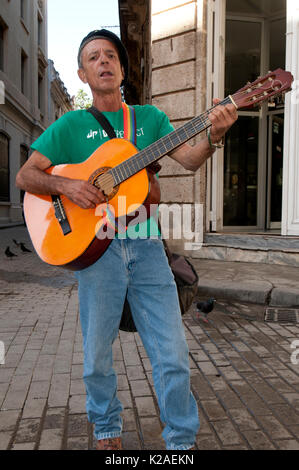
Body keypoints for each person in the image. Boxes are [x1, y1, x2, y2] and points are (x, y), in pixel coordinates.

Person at [16, 29, 238, 450]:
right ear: (82, 74)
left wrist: (213, 134)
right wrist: (67, 187)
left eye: (111, 56)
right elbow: (26, 175)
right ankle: (105, 428)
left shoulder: (149, 119)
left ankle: (181, 442)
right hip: (96, 251)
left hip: (147, 248)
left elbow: (189, 159)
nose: (103, 61)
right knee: (98, 355)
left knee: (172, 354)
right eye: (93, 57)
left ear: (121, 68)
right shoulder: (71, 125)